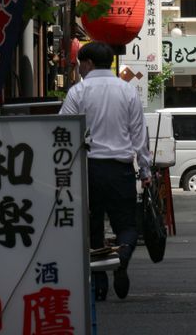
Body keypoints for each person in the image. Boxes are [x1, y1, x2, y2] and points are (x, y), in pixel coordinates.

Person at [60, 41, 151, 301]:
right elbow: (139, 135)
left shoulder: (78, 92)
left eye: (79, 65)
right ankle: (121, 259)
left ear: (87, 63)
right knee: (127, 226)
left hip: (88, 170)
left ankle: (99, 283)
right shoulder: (127, 91)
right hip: (120, 169)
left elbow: (63, 128)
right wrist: (145, 170)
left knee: (93, 227)